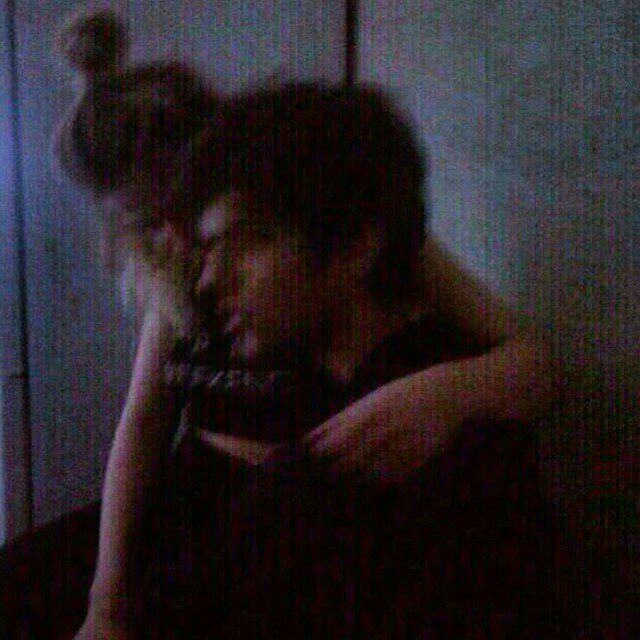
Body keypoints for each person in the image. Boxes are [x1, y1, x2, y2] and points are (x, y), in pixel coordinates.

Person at [53, 11, 559, 639]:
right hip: (208, 512)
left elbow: (531, 362)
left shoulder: (341, 238)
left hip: (290, 518)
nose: (179, 243)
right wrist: (106, 604)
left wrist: (448, 394)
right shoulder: (181, 267)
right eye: (146, 223)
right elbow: (144, 422)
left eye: (180, 207)